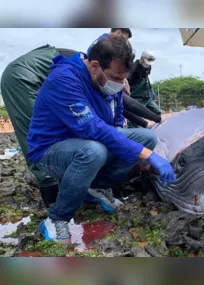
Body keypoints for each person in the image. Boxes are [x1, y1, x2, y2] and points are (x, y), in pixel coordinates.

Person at [27, 36, 176, 244]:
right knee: (93, 151)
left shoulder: (107, 83)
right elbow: (92, 128)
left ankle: (95, 187)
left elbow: (115, 123)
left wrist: (140, 147)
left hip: (89, 141)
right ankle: (56, 218)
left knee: (146, 137)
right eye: (115, 78)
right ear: (95, 65)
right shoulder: (64, 79)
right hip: (50, 150)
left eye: (122, 79)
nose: (118, 84)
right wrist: (147, 155)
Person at [1, 45, 82, 208]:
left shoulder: (83, 66)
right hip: (21, 79)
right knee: (38, 137)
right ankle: (53, 205)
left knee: (60, 133)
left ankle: (62, 193)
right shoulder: (82, 66)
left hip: (39, 81)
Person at [88, 28, 132, 96]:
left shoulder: (102, 40)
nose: (124, 44)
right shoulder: (106, 43)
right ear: (119, 32)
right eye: (124, 40)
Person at [127, 50, 161, 128]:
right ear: (142, 58)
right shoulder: (133, 68)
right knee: (133, 121)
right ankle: (135, 135)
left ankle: (156, 130)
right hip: (136, 98)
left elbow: (146, 79)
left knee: (157, 112)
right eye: (146, 62)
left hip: (146, 97)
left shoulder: (148, 67)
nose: (147, 65)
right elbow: (127, 82)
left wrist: (150, 90)